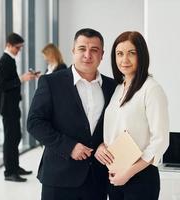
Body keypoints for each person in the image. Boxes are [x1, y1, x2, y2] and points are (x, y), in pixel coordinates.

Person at [27, 28, 116, 200]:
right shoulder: (51, 82)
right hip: (59, 178)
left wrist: (105, 143)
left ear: (102, 54)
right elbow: (34, 122)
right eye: (82, 49)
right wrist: (70, 147)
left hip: (97, 179)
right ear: (73, 51)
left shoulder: (112, 87)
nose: (87, 55)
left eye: (94, 50)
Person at [95, 31, 169, 200]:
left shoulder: (151, 89)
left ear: (141, 56)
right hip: (115, 174)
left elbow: (160, 140)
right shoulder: (118, 88)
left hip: (140, 177)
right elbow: (114, 128)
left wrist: (128, 173)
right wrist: (102, 146)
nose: (124, 60)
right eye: (119, 54)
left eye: (131, 53)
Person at [0, 32, 37, 182]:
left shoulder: (10, 60)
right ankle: (9, 172)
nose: (18, 51)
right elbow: (2, 85)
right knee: (10, 139)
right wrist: (21, 79)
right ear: (9, 45)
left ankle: (15, 167)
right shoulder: (5, 60)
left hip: (12, 106)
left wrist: (23, 78)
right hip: (8, 107)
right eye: (17, 48)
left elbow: (10, 81)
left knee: (15, 137)